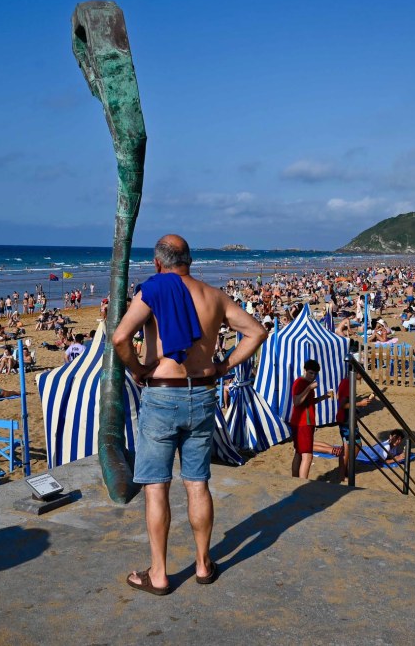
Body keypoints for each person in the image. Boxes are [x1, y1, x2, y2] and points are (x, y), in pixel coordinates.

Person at [112, 234, 266, 596]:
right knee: (197, 483)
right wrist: (223, 365)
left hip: (163, 395)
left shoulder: (152, 290)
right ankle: (202, 564)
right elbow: (257, 332)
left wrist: (138, 370)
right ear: (190, 261)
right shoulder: (214, 296)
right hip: (203, 394)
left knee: (156, 486)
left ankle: (160, 574)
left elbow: (120, 338)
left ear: (157, 264)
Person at [289, 359, 340, 479]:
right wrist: (309, 388)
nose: (313, 376)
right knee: (307, 455)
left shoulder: (303, 383)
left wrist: (323, 397)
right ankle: (302, 484)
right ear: (305, 370)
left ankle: (294, 480)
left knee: (299, 453)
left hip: (300, 422)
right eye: (311, 373)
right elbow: (296, 402)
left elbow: (309, 402)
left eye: (315, 374)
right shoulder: (301, 383)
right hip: (303, 423)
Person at [334, 370, 377, 483]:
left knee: (355, 444)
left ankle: (346, 470)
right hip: (345, 419)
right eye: (361, 372)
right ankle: (342, 474)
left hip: (347, 418)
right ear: (355, 372)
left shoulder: (347, 382)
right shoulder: (348, 383)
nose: (362, 375)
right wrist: (359, 404)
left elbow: (339, 397)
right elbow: (343, 405)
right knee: (349, 447)